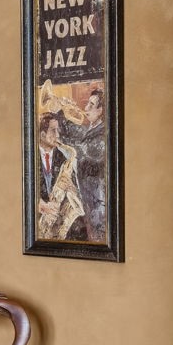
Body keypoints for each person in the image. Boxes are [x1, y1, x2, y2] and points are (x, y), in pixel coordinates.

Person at [64, 86, 108, 242]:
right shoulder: (89, 129)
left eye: (91, 105)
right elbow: (69, 134)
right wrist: (61, 112)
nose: (86, 108)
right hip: (85, 200)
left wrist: (63, 118)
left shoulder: (103, 134)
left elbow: (84, 150)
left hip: (96, 203)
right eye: (87, 103)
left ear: (101, 110)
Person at [35, 111, 85, 241]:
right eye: (53, 131)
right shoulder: (29, 157)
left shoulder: (63, 157)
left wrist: (69, 187)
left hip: (57, 218)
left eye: (58, 130)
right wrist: (39, 204)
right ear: (42, 134)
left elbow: (75, 192)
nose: (58, 135)